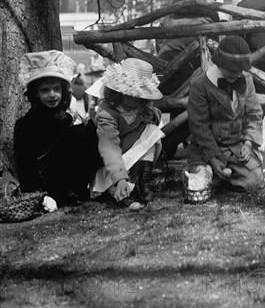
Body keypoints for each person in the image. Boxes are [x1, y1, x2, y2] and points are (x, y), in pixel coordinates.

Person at [157, 0, 223, 160]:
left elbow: (160, 45)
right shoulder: (207, 15)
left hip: (165, 78)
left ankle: (167, 146)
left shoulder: (171, 11)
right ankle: (168, 147)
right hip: (187, 81)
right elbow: (213, 54)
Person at [14, 50, 97, 205]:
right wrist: (40, 195)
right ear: (36, 93)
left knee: (90, 131)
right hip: (47, 189)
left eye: (56, 89)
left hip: (73, 186)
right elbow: (25, 167)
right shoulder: (26, 125)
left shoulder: (67, 118)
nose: (52, 95)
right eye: (45, 90)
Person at [185, 35, 264, 195]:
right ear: (219, 63)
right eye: (231, 70)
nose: (236, 74)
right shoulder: (200, 85)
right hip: (207, 149)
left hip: (235, 148)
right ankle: (203, 171)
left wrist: (248, 143)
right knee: (199, 186)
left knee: (255, 183)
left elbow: (255, 114)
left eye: (240, 70)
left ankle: (219, 177)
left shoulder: (246, 80)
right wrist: (213, 159)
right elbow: (199, 126)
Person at [89, 58, 164, 211]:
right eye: (130, 95)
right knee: (118, 185)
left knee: (151, 130)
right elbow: (109, 147)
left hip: (133, 158)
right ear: (117, 92)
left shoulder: (142, 110)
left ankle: (143, 183)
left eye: (139, 95)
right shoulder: (107, 113)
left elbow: (154, 118)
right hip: (111, 162)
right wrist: (120, 178)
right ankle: (121, 190)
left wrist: (152, 115)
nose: (135, 99)